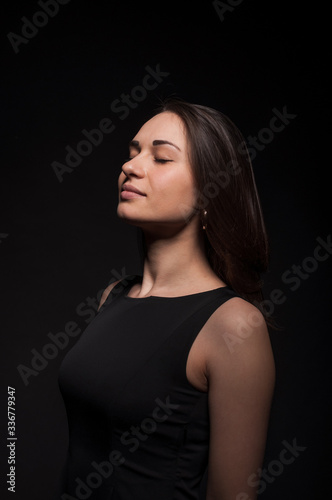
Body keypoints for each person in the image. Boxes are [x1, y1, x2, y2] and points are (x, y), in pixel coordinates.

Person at [56, 98, 275, 500]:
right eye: (133, 152)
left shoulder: (233, 325)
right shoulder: (114, 296)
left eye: (161, 158)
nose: (131, 167)